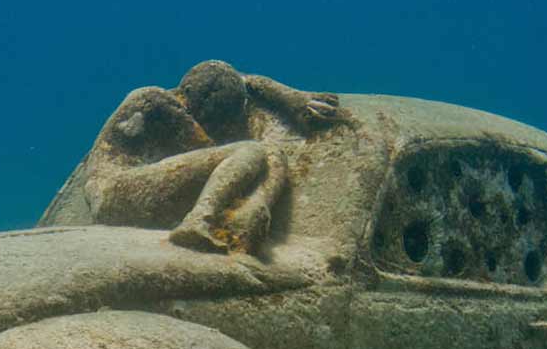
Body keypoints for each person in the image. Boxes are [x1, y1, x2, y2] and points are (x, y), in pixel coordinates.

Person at [80, 61, 347, 253]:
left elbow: (242, 81)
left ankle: (251, 215)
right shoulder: (157, 102)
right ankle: (201, 220)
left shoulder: (181, 97)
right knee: (251, 150)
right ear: (189, 97)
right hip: (114, 193)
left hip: (123, 194)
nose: (211, 126)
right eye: (212, 119)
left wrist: (291, 98)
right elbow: (206, 144)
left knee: (270, 153)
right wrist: (288, 99)